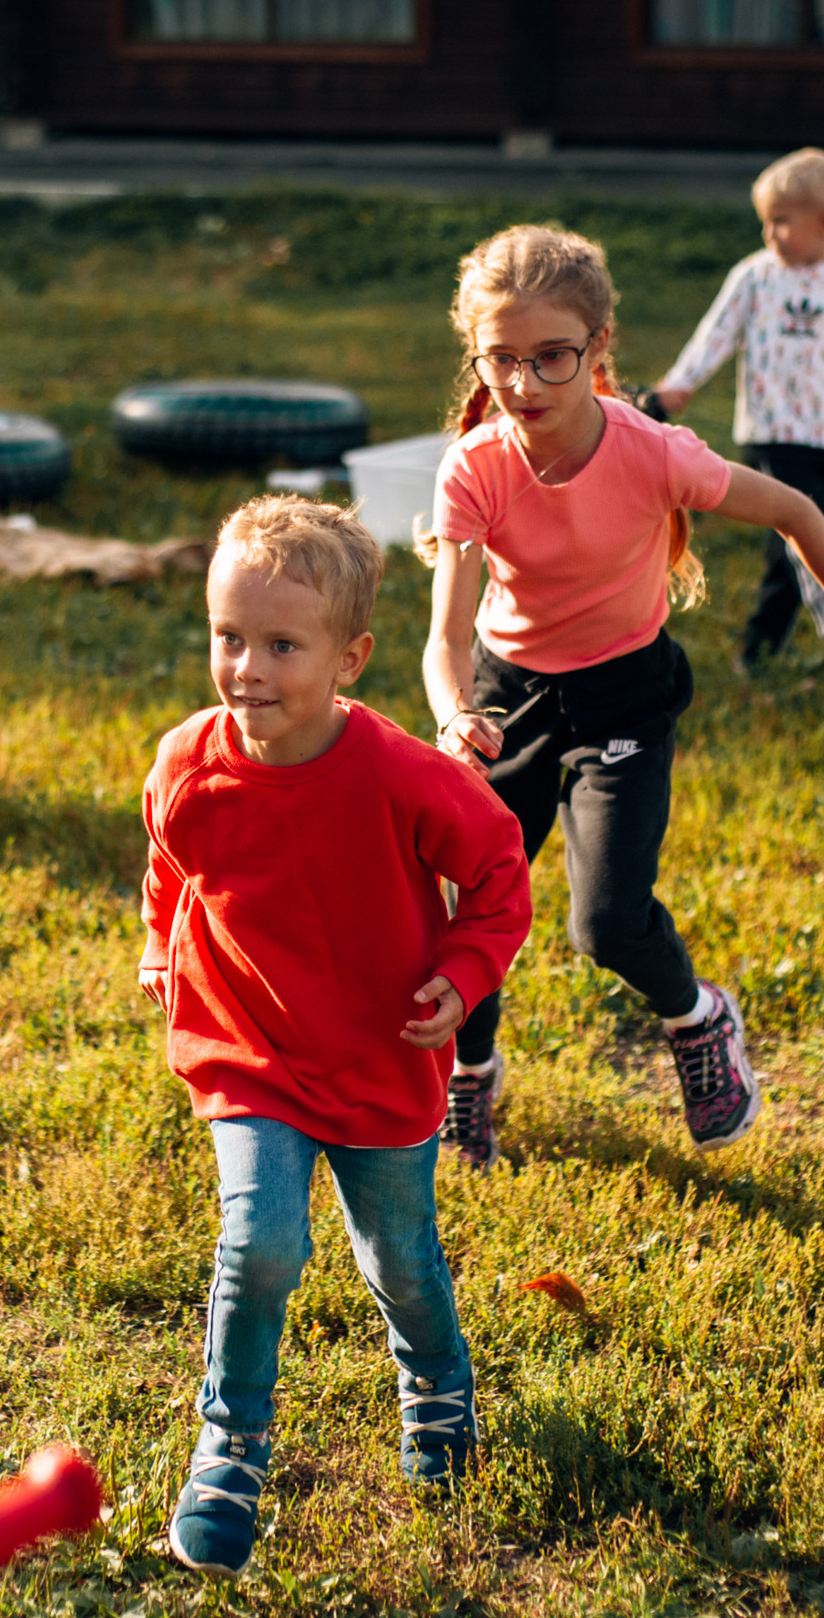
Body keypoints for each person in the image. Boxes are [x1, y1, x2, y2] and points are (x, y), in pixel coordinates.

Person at [419, 225, 824, 1173]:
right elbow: (445, 634)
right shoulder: (473, 464)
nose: (524, 386)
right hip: (507, 699)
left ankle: (698, 1017)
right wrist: (452, 711)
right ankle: (471, 1077)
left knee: (604, 923)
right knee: (469, 899)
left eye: (552, 358)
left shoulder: (652, 450)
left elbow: (798, 510)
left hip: (623, 699)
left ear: (598, 350)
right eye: (501, 360)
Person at [139, 496, 532, 1579]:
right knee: (259, 1244)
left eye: (280, 644)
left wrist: (460, 975)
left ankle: (436, 1379)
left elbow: (498, 869)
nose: (245, 668)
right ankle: (230, 1443)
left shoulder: (403, 774)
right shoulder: (187, 761)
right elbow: (171, 863)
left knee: (398, 1259)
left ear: (350, 655)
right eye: (227, 637)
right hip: (248, 1049)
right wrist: (163, 943)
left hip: (377, 1058)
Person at [655, 147, 824, 682]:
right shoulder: (754, 278)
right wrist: (677, 387)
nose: (769, 234)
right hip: (771, 438)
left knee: (789, 551)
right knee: (819, 545)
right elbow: (715, 335)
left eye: (780, 221)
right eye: (764, 222)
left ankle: (757, 648)